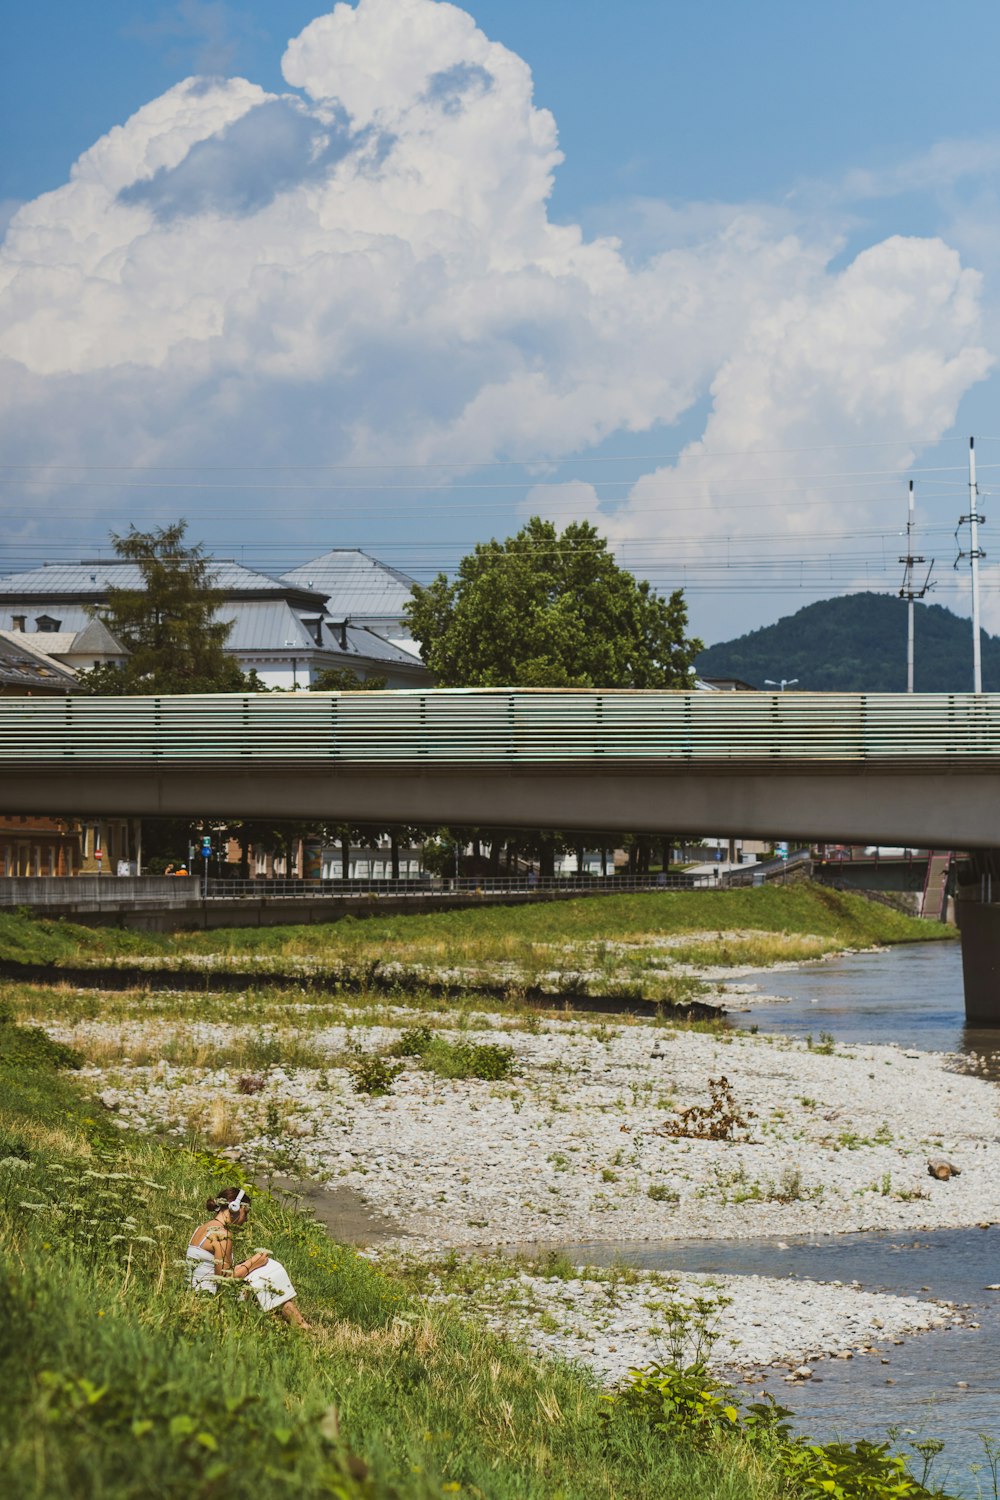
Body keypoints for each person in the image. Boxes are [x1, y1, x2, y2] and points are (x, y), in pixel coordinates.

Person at [186, 1187, 310, 1327]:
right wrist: (253, 1263)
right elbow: (225, 1280)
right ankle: (302, 1327)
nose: (246, 1220)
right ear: (235, 1208)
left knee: (263, 1281)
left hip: (196, 1297)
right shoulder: (222, 1235)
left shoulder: (202, 1228)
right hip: (213, 1302)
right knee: (268, 1273)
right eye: (246, 1213)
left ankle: (289, 1325)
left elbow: (215, 1272)